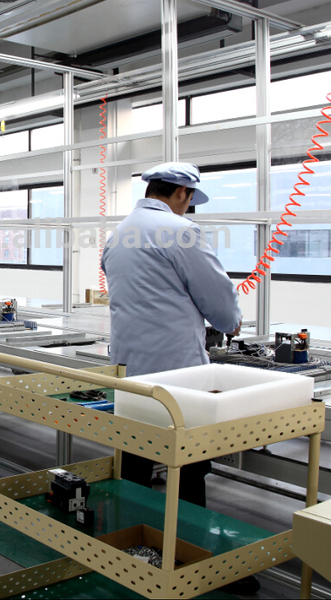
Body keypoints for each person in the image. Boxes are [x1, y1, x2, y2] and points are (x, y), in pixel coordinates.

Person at [102, 162, 241, 508]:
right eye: (189, 200)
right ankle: (185, 547)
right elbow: (219, 302)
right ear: (182, 193)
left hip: (129, 369)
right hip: (178, 374)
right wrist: (231, 322)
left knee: (134, 459)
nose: (187, 208)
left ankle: (131, 539)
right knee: (189, 466)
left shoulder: (117, 234)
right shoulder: (181, 231)